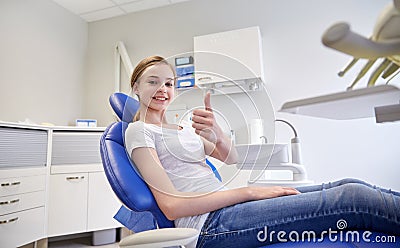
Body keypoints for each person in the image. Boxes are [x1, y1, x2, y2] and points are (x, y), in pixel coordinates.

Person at [124, 55, 400, 248]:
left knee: (347, 184)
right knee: (352, 198)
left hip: (228, 208)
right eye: (152, 82)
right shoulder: (139, 132)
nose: (163, 89)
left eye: (169, 83)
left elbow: (230, 157)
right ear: (136, 87)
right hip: (211, 226)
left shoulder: (181, 129)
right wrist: (250, 191)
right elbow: (172, 208)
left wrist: (218, 133)